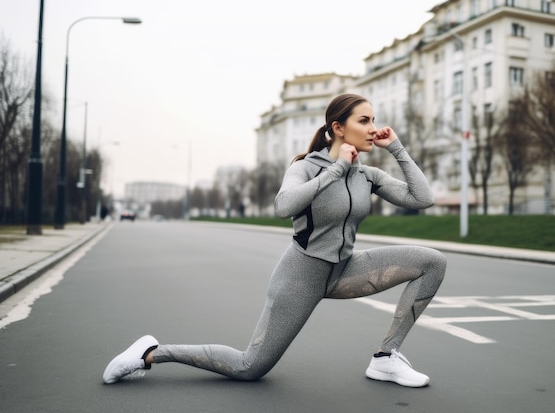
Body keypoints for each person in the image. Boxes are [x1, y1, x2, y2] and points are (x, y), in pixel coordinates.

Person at [103, 93, 447, 388]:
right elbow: (284, 206)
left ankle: (386, 358)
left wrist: (397, 149)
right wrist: (336, 170)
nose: (374, 127)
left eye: (375, 120)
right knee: (249, 367)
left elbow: (422, 198)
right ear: (338, 128)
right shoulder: (306, 167)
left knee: (432, 261)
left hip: (345, 270)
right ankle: (151, 353)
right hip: (301, 276)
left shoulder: (368, 175)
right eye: (365, 120)